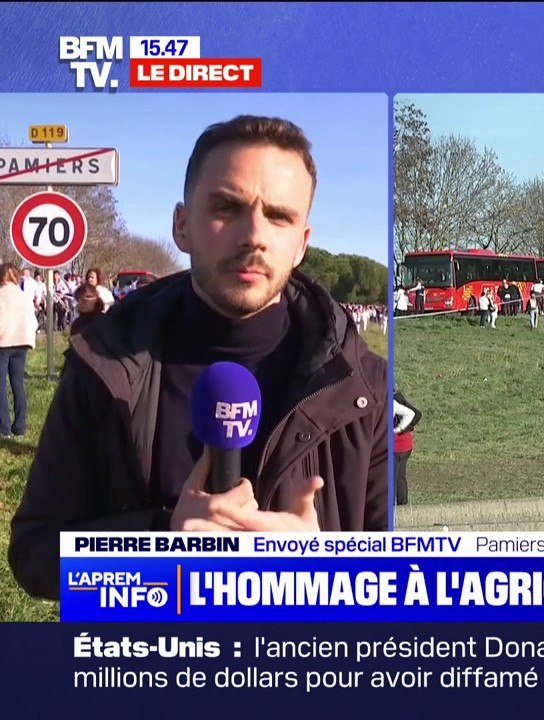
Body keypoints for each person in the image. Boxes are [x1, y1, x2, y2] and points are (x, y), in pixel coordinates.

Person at [9, 115, 389, 601]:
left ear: (301, 245)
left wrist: (319, 570)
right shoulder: (103, 363)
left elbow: (404, 589)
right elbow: (35, 554)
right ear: (182, 226)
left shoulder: (364, 388)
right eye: (227, 207)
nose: (253, 234)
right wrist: (158, 550)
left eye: (279, 216)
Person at [0, 264, 38, 439]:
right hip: (22, 342)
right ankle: (20, 426)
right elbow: (33, 321)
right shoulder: (24, 296)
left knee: (1, 385)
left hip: (3, 342)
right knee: (18, 384)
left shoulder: (1, 294)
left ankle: (4, 427)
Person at [392, 388, 422, 507]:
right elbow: (416, 414)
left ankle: (392, 507)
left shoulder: (389, 403)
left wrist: (397, 429)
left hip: (395, 446)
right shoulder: (399, 399)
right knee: (400, 477)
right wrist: (405, 428)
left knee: (392, 478)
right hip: (406, 445)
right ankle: (403, 506)